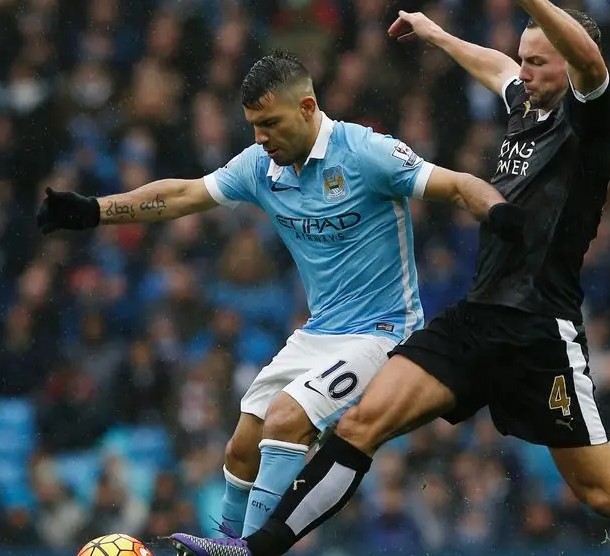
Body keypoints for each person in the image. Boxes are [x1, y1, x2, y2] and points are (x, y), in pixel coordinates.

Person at [169, 3, 610, 556]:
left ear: (569, 64)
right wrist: (437, 34)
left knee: (605, 492)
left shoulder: (593, 117)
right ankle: (254, 550)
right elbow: (496, 67)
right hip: (476, 317)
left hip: (540, 330)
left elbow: (590, 60)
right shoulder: (527, 103)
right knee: (359, 425)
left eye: (538, 62)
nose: (524, 72)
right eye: (524, 58)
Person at [36, 50, 523, 540]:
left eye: (269, 123)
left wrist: (498, 212)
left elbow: (457, 185)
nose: (259, 138)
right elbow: (183, 195)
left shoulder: (365, 152)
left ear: (307, 107)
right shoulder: (261, 167)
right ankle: (227, 543)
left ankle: (249, 551)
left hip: (383, 331)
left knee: (287, 418)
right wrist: (95, 210)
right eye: (253, 125)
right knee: (242, 447)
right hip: (319, 332)